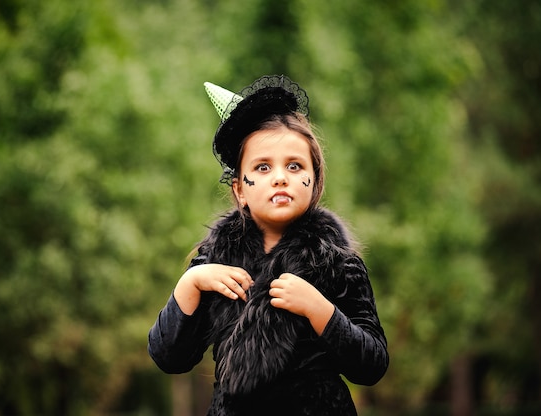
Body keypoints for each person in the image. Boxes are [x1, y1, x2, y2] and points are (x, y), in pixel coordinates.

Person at [148, 75, 388, 416]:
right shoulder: (214, 266)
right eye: (262, 167)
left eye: (294, 166)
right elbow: (169, 357)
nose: (280, 177)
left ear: (314, 180)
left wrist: (317, 309)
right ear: (239, 190)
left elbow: (372, 365)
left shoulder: (338, 263)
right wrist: (192, 282)